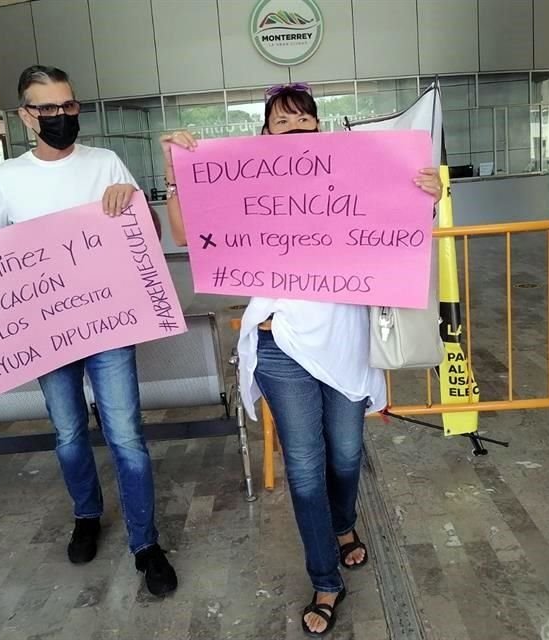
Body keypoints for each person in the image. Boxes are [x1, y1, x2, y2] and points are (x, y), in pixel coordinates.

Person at [161, 84, 442, 636]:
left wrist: (424, 196)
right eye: (283, 120)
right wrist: (179, 173)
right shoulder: (246, 183)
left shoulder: (351, 175)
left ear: (320, 127)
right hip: (280, 344)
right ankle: (325, 579)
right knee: (306, 468)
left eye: (306, 118)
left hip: (345, 340)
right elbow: (187, 232)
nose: (297, 127)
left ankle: (343, 526)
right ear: (264, 133)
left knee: (345, 453)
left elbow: (400, 235)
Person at [0, 65, 177, 596]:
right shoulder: (9, 177)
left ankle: (145, 542)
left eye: (68, 106)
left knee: (127, 437)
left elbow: (147, 232)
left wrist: (129, 201)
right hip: (48, 332)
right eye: (48, 109)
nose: (61, 116)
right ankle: (86, 515)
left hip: (108, 322)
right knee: (68, 434)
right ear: (25, 116)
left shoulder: (106, 162)